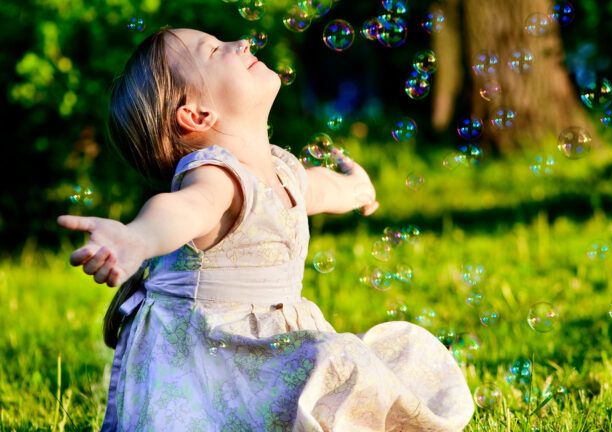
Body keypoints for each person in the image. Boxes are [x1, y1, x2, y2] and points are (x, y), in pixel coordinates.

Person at [57, 27, 474, 431]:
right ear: (196, 114)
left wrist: (354, 188)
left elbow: (317, 187)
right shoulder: (214, 177)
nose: (240, 42)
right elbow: (184, 209)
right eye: (216, 51)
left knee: (361, 362)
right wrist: (138, 238)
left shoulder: (280, 170)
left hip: (272, 354)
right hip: (219, 368)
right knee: (339, 360)